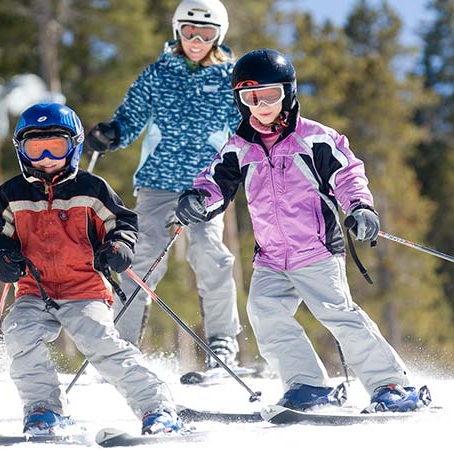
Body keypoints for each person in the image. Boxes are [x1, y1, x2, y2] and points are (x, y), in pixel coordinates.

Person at [175, 48, 429, 412]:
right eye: (250, 98)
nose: (261, 105)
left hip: (317, 250)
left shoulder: (316, 138)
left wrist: (359, 207)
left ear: (288, 93)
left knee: (338, 314)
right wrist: (198, 199)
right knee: (264, 313)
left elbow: (348, 173)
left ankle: (390, 384)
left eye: (270, 95)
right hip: (271, 257)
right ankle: (307, 385)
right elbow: (216, 183)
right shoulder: (239, 146)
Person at [0, 103, 182, 435]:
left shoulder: (91, 189)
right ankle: (44, 408)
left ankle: (156, 408)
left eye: (56, 146)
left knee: (100, 343)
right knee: (19, 332)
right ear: (21, 151)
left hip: (85, 288)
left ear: (74, 146)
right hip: (34, 290)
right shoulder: (10, 195)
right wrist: (2, 257)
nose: (45, 156)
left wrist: (119, 248)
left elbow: (123, 224)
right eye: (35, 147)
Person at [84, 0, 243, 372]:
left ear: (218, 34)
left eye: (205, 33)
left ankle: (222, 339)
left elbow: (245, 126)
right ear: (177, 31)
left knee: (210, 253)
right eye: (189, 31)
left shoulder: (228, 77)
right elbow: (131, 116)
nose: (196, 40)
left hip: (206, 184)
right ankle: (121, 343)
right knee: (141, 257)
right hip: (157, 181)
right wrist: (113, 133)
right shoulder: (159, 74)